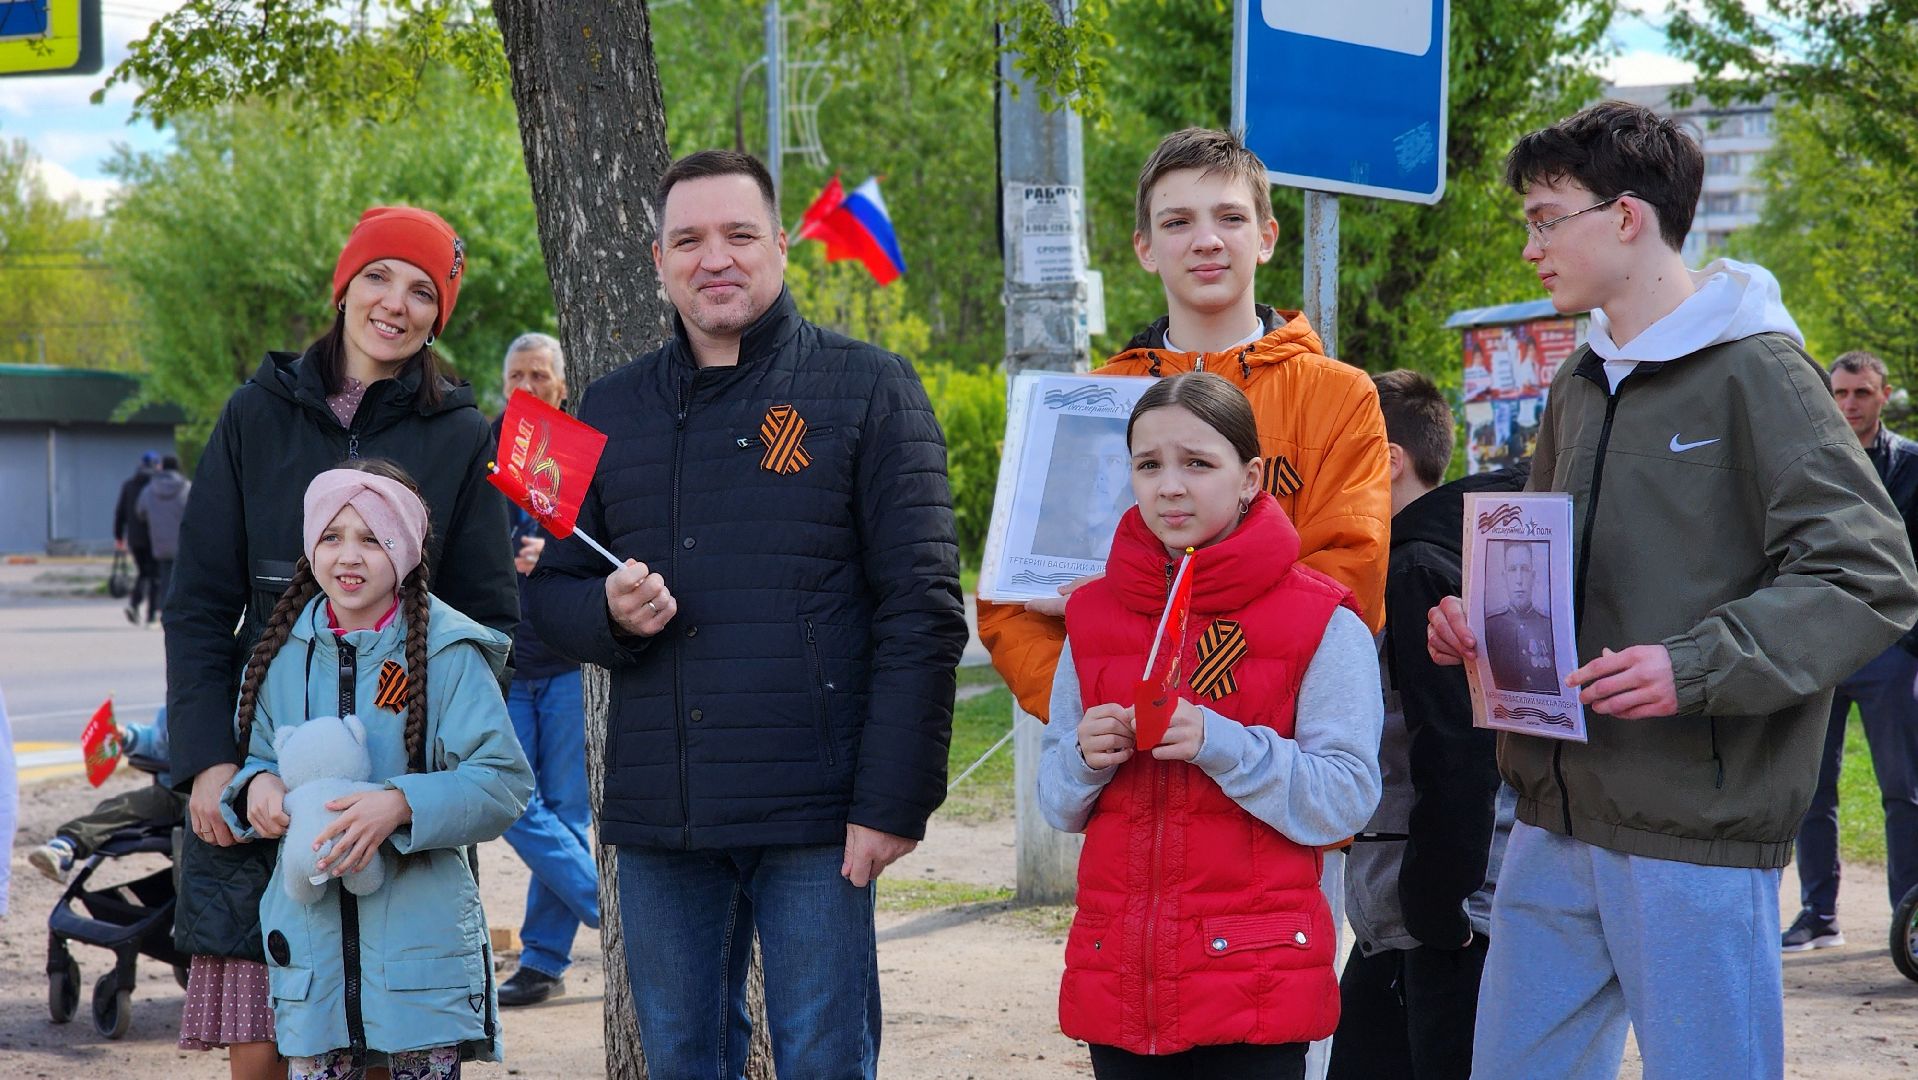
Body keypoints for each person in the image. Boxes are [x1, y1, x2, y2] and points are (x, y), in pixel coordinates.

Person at [1426, 101, 1918, 1079]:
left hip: (1693, 833)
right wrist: (1485, 624)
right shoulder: (1575, 381)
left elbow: (1869, 574)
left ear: (1623, 216)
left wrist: (1692, 666)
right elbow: (1552, 566)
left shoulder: (1762, 372)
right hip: (1550, 817)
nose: (1530, 244)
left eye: (1543, 215)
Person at [525, 149, 966, 1079]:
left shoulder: (871, 387)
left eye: (738, 234)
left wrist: (894, 801)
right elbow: (541, 604)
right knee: (682, 1058)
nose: (714, 257)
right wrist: (604, 609)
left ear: (780, 248)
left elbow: (923, 612)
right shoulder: (601, 405)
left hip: (818, 814)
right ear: (658, 260)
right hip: (662, 819)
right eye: (688, 239)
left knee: (821, 1058)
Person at [163, 205, 516, 1079]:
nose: (396, 303)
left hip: (399, 790)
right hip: (266, 759)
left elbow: (488, 617)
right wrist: (213, 763)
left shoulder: (463, 436)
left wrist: (416, 772)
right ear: (344, 284)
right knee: (266, 1040)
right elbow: (199, 604)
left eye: (424, 291)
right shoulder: (255, 415)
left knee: (390, 1034)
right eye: (379, 277)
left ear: (442, 314)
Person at [979, 128, 1390, 727]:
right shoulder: (1079, 406)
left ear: (1266, 237)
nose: (1206, 241)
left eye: (1230, 217)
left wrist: (1204, 701)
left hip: (1277, 753)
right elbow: (1010, 603)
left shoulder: (1337, 396)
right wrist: (1095, 707)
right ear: (1144, 247)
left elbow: (1351, 583)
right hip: (1127, 761)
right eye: (1176, 223)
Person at [1038, 372, 1381, 1079]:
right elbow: (1057, 802)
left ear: (1250, 476)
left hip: (1255, 983)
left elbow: (1347, 796)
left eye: (1198, 463)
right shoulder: (1093, 614)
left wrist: (1220, 743)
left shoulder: (1322, 618)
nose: (1170, 487)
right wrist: (1081, 757)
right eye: (1148, 464)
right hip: (1122, 986)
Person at [217, 462, 530, 1079]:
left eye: (372, 539)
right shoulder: (281, 656)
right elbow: (257, 757)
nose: (348, 557)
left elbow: (503, 780)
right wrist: (257, 787)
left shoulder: (448, 652)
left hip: (422, 960)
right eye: (332, 537)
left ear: (406, 552)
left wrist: (399, 804)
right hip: (311, 959)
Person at [1332, 371, 1521, 1080]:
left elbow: (1457, 750)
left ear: (1383, 460)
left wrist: (1437, 908)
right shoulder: (1444, 548)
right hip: (1419, 910)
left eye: (1332, 454)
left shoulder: (1413, 566)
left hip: (1437, 914)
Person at [1786, 349, 1918, 951]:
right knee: (1813, 788)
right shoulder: (1813, 461)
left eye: (1860, 392)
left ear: (1883, 395)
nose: (1848, 404)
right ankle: (1819, 915)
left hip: (1893, 651)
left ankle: (1908, 920)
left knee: (1903, 790)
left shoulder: (1912, 465)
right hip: (1824, 647)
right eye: (1838, 393)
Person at [490, 333, 600, 1008]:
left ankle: (542, 961)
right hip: (502, 663)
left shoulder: (580, 456)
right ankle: (609, 909)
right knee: (508, 799)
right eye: (518, 375)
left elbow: (603, 553)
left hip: (565, 662)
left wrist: (551, 557)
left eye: (541, 375)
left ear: (561, 387)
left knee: (566, 810)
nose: (529, 385)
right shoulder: (482, 454)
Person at [28, 706, 188, 883]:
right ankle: (67, 846)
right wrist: (126, 737)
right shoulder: (177, 703)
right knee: (123, 806)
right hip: (174, 793)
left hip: (214, 798)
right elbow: (155, 742)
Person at [1481, 541, 1557, 694]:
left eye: (1525, 569)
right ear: (1504, 577)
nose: (1519, 579)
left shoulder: (1550, 626)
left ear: (1533, 576)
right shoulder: (1489, 626)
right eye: (1512, 570)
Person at [135, 455, 191, 626]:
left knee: (163, 576)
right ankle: (180, 612)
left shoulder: (150, 488)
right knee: (182, 577)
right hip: (182, 543)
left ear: (162, 467)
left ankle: (162, 611)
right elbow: (198, 511)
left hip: (159, 542)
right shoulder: (186, 487)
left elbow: (140, 511)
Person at [114, 450, 160, 625]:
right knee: (155, 576)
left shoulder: (129, 485)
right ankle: (151, 615)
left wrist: (119, 536)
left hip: (134, 538)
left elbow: (120, 513)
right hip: (154, 537)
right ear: (156, 465)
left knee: (143, 572)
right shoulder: (156, 484)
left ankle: (134, 604)